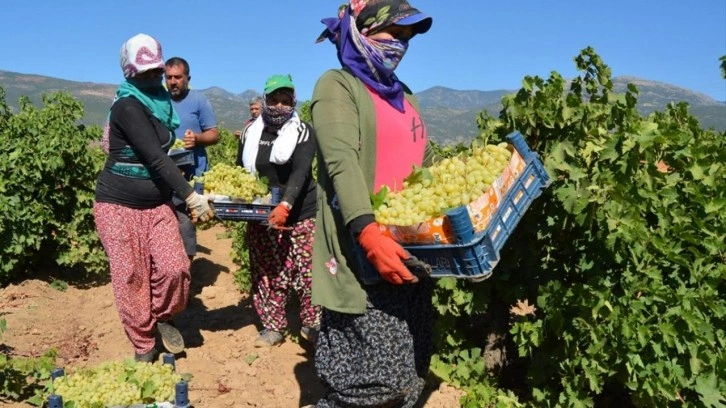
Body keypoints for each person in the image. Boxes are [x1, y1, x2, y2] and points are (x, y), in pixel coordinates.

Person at [310, 1, 435, 406]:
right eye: (393, 34)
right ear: (362, 33)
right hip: (363, 252)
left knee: (408, 371)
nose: (401, 45)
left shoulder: (405, 97)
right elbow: (340, 159)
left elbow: (424, 165)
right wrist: (367, 231)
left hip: (408, 249)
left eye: (407, 38)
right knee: (367, 388)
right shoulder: (337, 86)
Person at [93, 33, 215, 363]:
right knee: (130, 276)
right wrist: (191, 197)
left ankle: (163, 316)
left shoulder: (160, 102)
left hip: (155, 203)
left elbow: (163, 153)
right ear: (129, 72)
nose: (152, 77)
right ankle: (143, 345)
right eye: (144, 71)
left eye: (155, 71)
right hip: (117, 206)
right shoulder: (127, 106)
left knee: (176, 268)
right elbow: (156, 158)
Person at [236, 74, 321, 348]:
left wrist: (286, 204)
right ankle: (273, 326)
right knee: (268, 272)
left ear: (293, 102)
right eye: (274, 100)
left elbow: (301, 171)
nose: (281, 106)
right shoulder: (251, 132)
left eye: (286, 101)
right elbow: (241, 171)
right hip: (262, 215)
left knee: (308, 271)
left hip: (301, 212)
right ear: (265, 100)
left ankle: (312, 324)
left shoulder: (303, 130)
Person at [164, 57, 220, 262]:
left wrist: (197, 139)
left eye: (177, 77)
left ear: (187, 78)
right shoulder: (159, 100)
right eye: (168, 77)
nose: (173, 82)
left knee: (185, 218)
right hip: (164, 169)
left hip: (191, 172)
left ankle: (186, 268)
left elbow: (214, 134)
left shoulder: (199, 100)